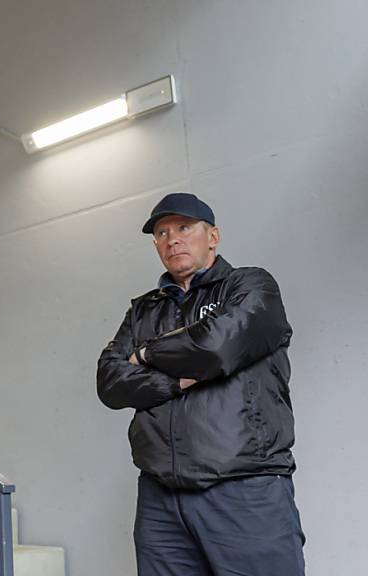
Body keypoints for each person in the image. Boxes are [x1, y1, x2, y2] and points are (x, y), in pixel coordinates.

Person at [96, 192, 305, 575]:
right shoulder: (144, 309)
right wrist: (177, 381)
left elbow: (215, 348)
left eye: (183, 227)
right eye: (161, 233)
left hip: (243, 487)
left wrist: (144, 354)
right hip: (161, 497)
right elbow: (109, 382)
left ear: (213, 236)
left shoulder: (251, 286)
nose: (171, 239)